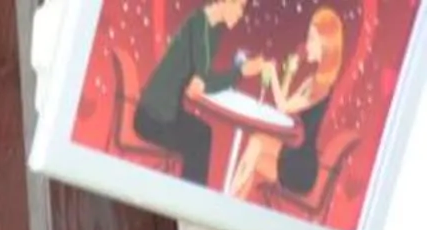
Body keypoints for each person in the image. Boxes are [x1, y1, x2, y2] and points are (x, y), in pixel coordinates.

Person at [227, 6, 352, 204]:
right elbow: (283, 106)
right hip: (292, 153)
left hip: (299, 167)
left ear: (325, 46)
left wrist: (272, 73)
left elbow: (284, 107)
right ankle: (230, 203)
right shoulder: (313, 80)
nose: (307, 44)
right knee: (255, 145)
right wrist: (289, 73)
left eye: (311, 39)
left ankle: (227, 202)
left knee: (255, 152)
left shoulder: (321, 86)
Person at [133, 0, 254, 187]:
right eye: (240, 6)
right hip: (153, 117)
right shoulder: (199, 24)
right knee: (199, 141)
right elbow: (199, 86)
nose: (241, 14)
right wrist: (240, 73)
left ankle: (190, 192)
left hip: (168, 113)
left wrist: (236, 74)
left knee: (203, 133)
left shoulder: (213, 31)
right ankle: (187, 196)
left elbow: (203, 79)